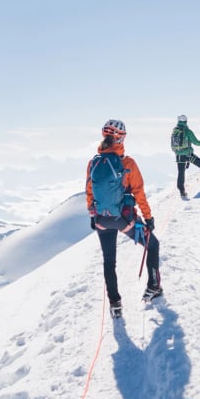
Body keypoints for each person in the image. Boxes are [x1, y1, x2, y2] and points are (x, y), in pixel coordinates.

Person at [85, 119, 160, 315]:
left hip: (101, 219)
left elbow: (89, 192)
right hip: (124, 219)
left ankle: (115, 304)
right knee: (153, 244)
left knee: (109, 261)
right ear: (121, 138)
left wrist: (93, 215)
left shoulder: (93, 162)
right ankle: (153, 286)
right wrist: (148, 218)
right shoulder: (128, 163)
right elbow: (139, 193)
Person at [169, 114, 200, 197]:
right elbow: (196, 142)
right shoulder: (187, 131)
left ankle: (182, 191)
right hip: (188, 155)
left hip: (178, 155)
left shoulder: (175, 130)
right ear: (186, 121)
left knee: (181, 172)